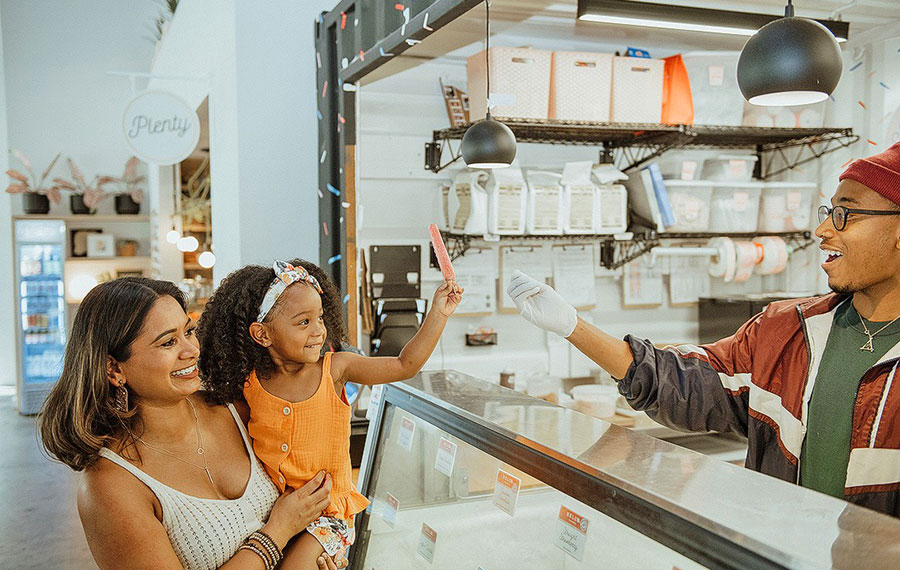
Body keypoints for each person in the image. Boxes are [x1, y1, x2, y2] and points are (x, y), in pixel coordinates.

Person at [507, 142, 900, 518]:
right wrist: (572, 326)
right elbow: (682, 383)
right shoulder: (786, 330)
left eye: (845, 215)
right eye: (827, 212)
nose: (823, 230)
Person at [39, 277, 346, 570]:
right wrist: (279, 530)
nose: (191, 351)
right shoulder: (110, 486)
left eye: (188, 331)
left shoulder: (237, 408)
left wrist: (323, 549)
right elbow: (286, 523)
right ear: (114, 368)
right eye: (168, 342)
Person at [197, 259, 462, 568]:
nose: (318, 331)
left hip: (326, 515)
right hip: (277, 512)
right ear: (262, 334)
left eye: (319, 317)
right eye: (303, 322)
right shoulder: (250, 382)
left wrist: (439, 314)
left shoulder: (336, 369)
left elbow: (406, 365)